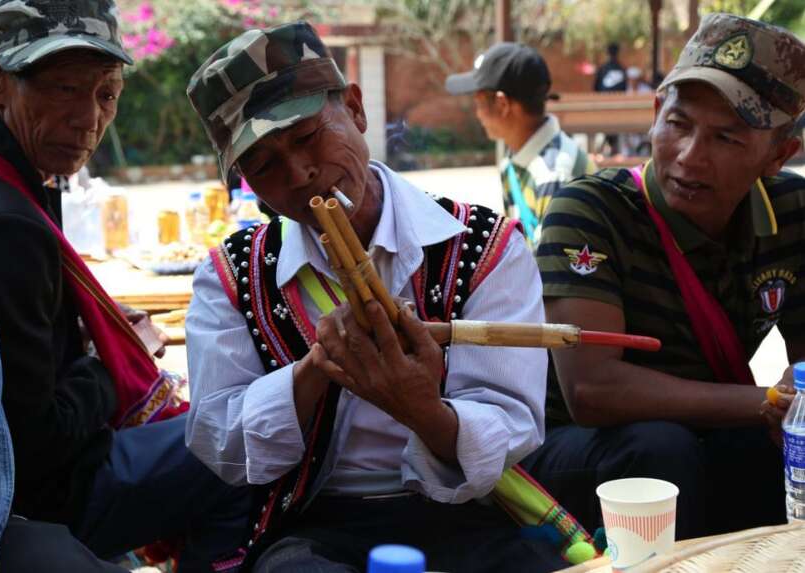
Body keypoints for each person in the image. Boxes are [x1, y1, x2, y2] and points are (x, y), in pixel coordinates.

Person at [184, 22, 565, 573]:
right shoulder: (232, 274)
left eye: (308, 135)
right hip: (318, 521)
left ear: (356, 110)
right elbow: (219, 443)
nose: (300, 173)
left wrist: (423, 409)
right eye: (264, 165)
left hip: (467, 512)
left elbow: (514, 425)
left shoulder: (484, 247)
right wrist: (318, 369)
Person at [0, 2, 249, 571]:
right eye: (64, 89)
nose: (88, 118)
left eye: (105, 94)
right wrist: (113, 366)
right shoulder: (0, 226)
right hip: (33, 498)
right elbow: (31, 446)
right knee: (241, 448)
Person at [527, 13, 805, 540]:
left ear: (779, 154)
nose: (690, 157)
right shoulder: (589, 211)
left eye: (726, 138)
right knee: (659, 450)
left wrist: (789, 403)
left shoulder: (792, 213)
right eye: (678, 124)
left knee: (776, 448)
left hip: (706, 435)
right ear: (656, 112)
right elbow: (591, 388)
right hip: (579, 447)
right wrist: (768, 402)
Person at [445, 42, 593, 244]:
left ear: (502, 104)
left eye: (478, 102)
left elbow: (550, 268)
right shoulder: (513, 159)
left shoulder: (555, 175)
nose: (477, 113)